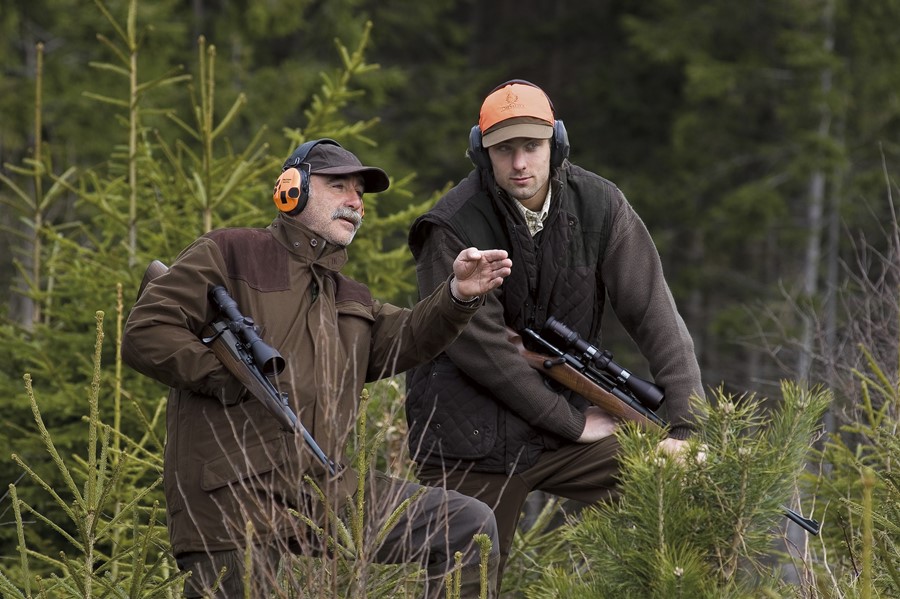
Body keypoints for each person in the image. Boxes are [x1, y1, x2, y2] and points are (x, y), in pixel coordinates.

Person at [122, 139, 512, 598]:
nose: (354, 201)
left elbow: (407, 338)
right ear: (294, 189)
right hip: (232, 495)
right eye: (339, 186)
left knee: (468, 526)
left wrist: (458, 295)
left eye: (360, 193)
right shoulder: (230, 252)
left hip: (324, 490)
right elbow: (146, 332)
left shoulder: (348, 295)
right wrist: (229, 375)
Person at [405, 80, 705, 578]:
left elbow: (655, 315)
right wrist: (569, 421)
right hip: (472, 440)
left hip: (561, 433)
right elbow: (484, 351)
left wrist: (686, 426)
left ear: (556, 144)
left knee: (676, 489)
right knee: (466, 582)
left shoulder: (601, 205)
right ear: (484, 153)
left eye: (531, 146)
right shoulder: (454, 225)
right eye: (505, 149)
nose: (520, 163)